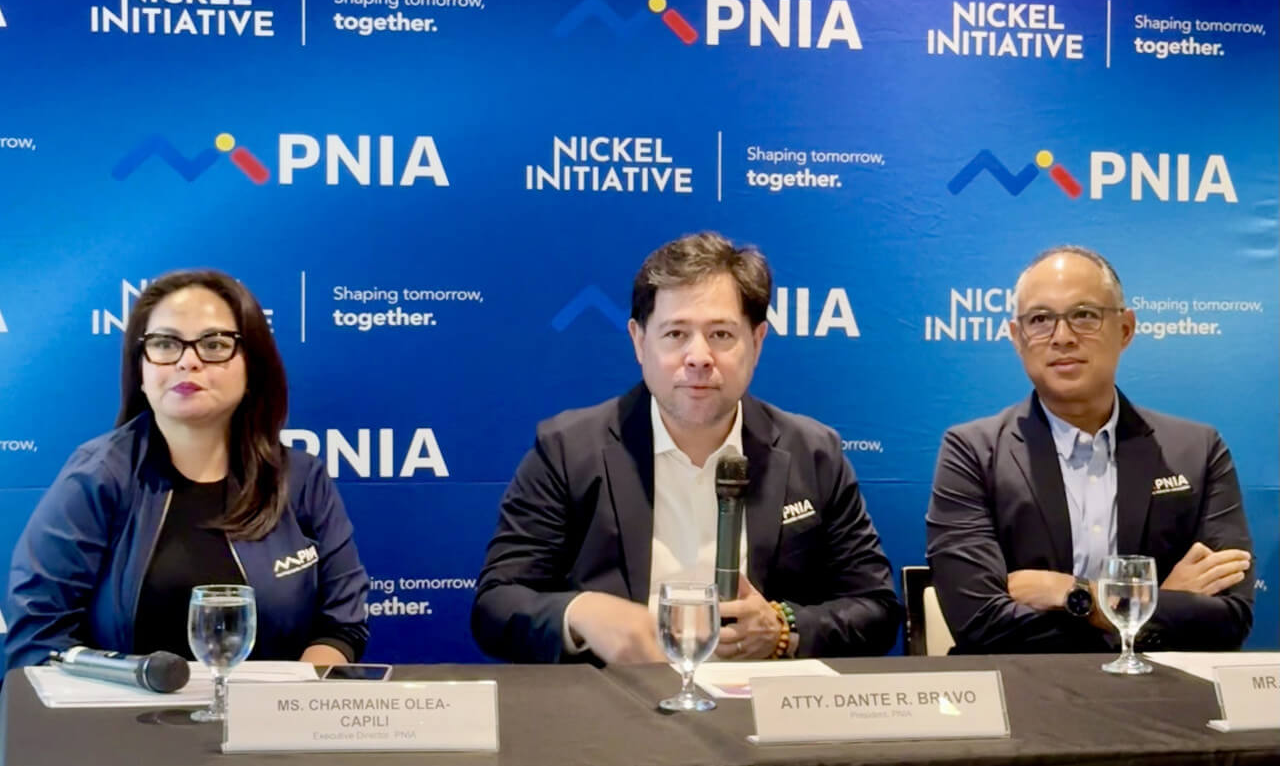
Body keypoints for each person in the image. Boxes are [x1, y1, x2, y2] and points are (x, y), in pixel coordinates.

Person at [472, 232, 901, 664]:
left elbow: (876, 609)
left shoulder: (813, 452)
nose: (698, 357)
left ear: (757, 342)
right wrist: (583, 612)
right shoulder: (568, 450)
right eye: (676, 333)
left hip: (759, 709)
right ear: (640, 342)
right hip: (617, 708)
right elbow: (496, 605)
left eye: (720, 334)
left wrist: (783, 628)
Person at [4, 270, 369, 671]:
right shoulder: (97, 477)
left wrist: (290, 705)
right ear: (141, 369)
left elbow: (342, 624)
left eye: (214, 344)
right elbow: (37, 638)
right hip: (123, 727)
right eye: (165, 344)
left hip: (272, 725)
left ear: (253, 368)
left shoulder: (301, 479)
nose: (187, 361)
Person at [926, 246, 1253, 653]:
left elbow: (1230, 617)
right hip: (1026, 697)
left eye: (1084, 315)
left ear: (1126, 329)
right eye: (1040, 320)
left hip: (1164, 696)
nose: (1062, 337)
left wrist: (1073, 595)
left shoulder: (1197, 450)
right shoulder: (973, 452)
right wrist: (1147, 604)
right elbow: (980, 623)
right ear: (1016, 338)